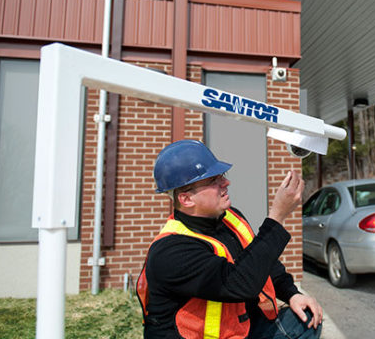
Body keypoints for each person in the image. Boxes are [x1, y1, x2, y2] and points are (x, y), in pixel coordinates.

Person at [137, 139, 323, 339]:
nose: (226, 183)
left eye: (222, 176)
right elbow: (239, 284)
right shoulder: (171, 250)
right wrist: (277, 217)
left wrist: (292, 293)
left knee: (305, 320)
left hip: (242, 329)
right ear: (186, 199)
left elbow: (260, 261)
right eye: (212, 180)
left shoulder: (229, 217)